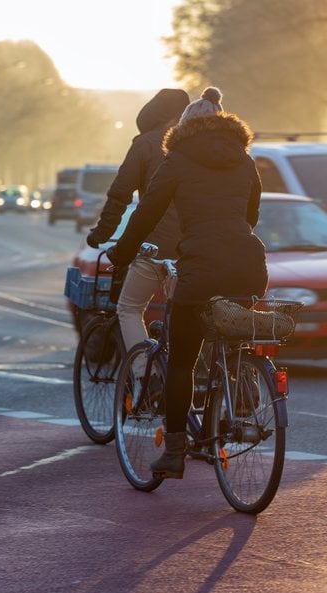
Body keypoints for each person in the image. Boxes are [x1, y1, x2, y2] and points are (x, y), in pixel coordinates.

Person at [108, 87, 269, 479]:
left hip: (199, 266)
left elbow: (147, 212)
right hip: (248, 263)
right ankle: (237, 395)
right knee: (228, 329)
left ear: (184, 126)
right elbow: (252, 214)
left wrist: (122, 253)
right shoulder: (244, 160)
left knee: (182, 360)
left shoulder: (177, 160)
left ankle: (175, 451)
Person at [85, 88, 190, 369]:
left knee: (129, 308)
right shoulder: (196, 145)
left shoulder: (146, 144)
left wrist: (102, 234)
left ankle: (145, 377)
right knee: (192, 312)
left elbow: (120, 193)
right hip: (198, 246)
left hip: (157, 246)